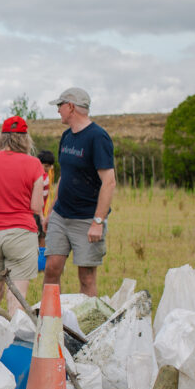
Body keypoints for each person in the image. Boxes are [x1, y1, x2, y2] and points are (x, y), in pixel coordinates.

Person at [42, 87, 116, 297]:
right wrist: (51, 212)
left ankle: (89, 328)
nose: (58, 111)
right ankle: (49, 322)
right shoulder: (66, 137)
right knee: (51, 269)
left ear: (71, 107)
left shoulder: (98, 137)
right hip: (61, 215)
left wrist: (98, 222)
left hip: (86, 219)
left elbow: (109, 183)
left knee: (86, 277)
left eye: (60, 106)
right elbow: (65, 177)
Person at [0, 116, 46, 314]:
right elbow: (36, 206)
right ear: (25, 139)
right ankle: (13, 341)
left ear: (1, 137)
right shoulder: (34, 164)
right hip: (21, 233)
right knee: (16, 299)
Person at [36, 150, 56, 248]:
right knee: (40, 238)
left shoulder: (46, 175)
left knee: (43, 237)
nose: (48, 168)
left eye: (49, 166)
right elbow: (37, 198)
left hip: (43, 212)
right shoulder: (39, 177)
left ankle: (41, 260)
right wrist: (41, 216)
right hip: (37, 213)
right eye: (46, 166)